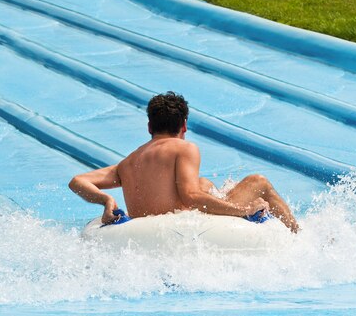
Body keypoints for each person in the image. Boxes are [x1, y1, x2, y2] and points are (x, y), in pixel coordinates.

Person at [69, 91, 299, 233]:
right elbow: (191, 196)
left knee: (205, 183)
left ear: (150, 127)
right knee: (258, 182)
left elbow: (77, 181)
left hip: (145, 232)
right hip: (181, 228)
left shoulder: (128, 162)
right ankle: (299, 239)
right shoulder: (184, 147)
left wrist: (107, 199)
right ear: (184, 126)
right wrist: (242, 210)